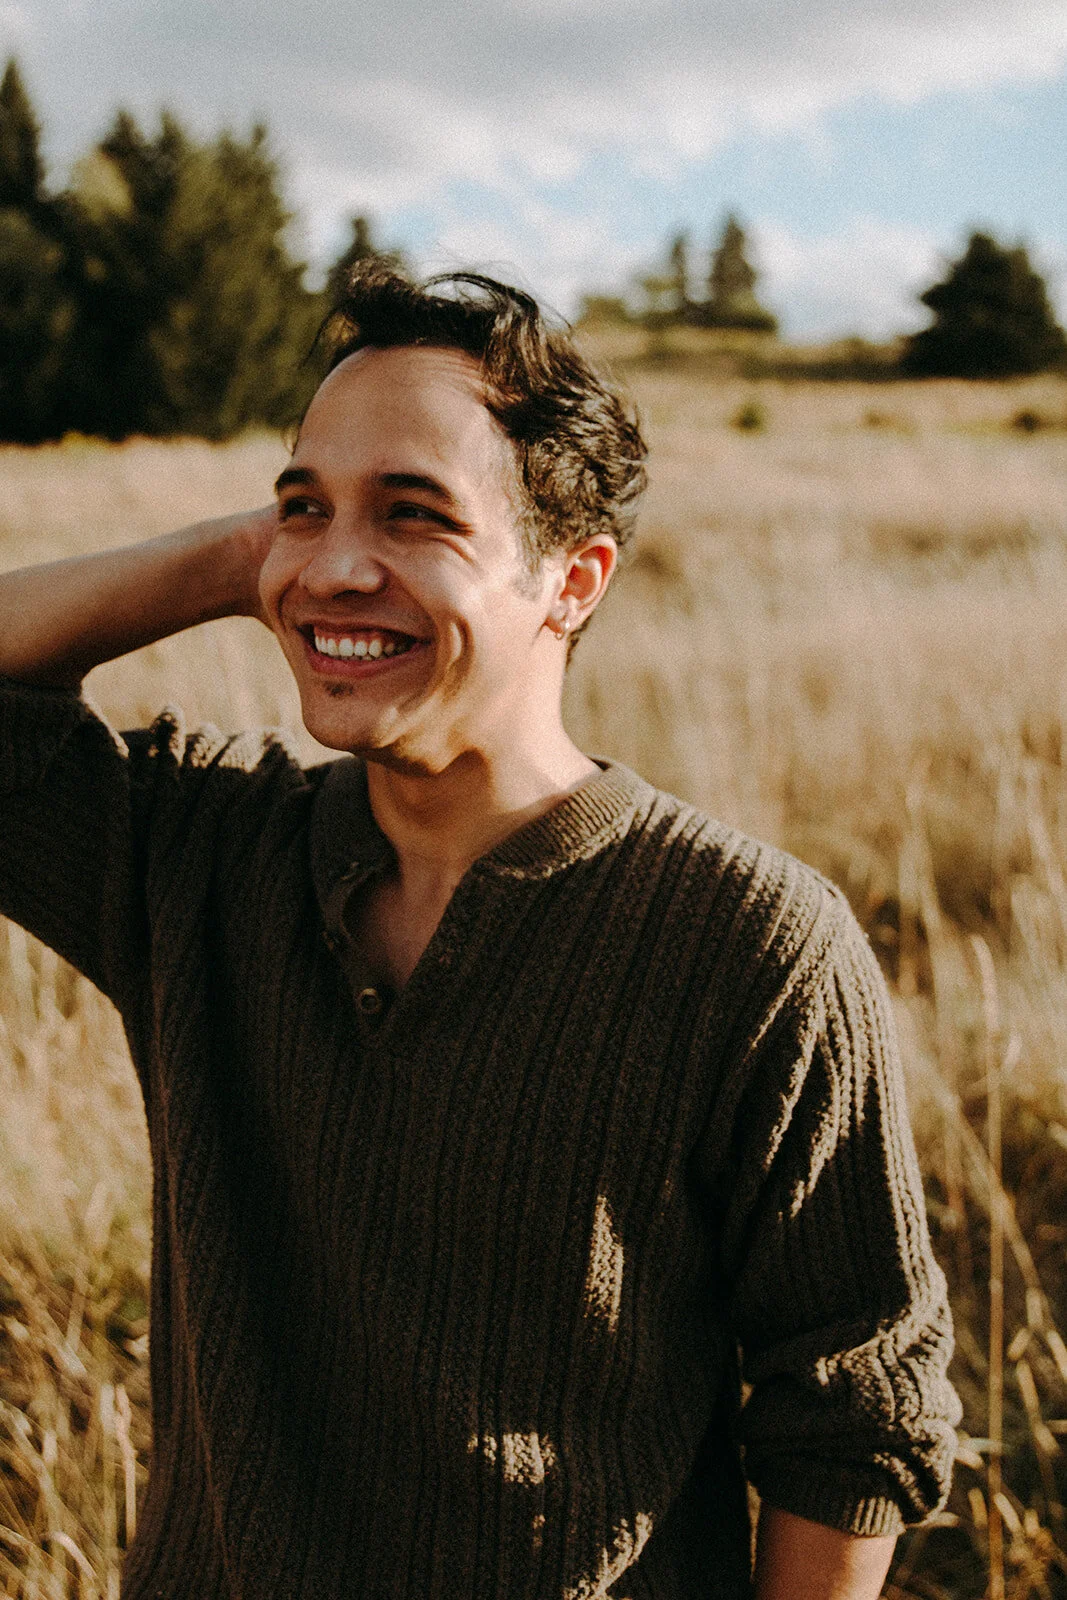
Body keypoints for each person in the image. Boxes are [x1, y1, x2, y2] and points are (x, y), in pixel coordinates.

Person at [0, 264, 959, 1600]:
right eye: (304, 505)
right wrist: (256, 561)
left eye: (414, 515)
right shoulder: (199, 857)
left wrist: (320, 549)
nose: (336, 561)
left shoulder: (749, 946)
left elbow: (851, 1422)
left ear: (572, 579)